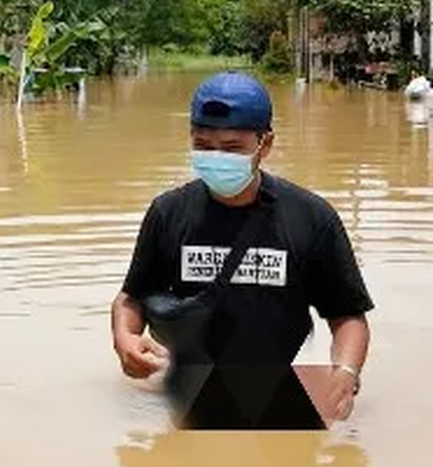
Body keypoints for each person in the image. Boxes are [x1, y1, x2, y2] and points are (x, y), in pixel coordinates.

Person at [111, 71, 374, 429]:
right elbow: (132, 298)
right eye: (203, 145)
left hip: (278, 387)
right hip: (189, 390)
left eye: (232, 148)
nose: (216, 156)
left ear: (264, 145)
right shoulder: (168, 213)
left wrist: (345, 373)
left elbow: (347, 316)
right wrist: (125, 337)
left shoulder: (312, 218)